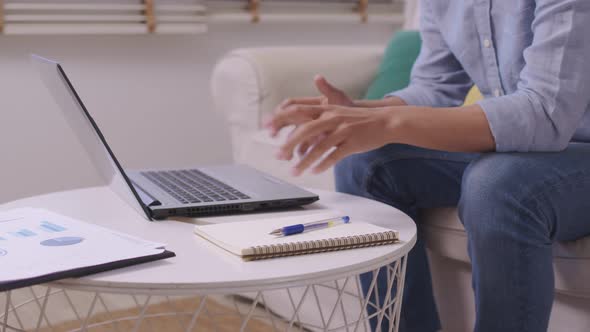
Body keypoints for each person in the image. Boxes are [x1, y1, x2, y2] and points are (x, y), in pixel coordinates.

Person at [264, 1, 590, 331]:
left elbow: (545, 114)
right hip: (528, 148)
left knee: (497, 184)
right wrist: (362, 114)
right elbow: (436, 87)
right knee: (366, 162)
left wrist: (386, 121)